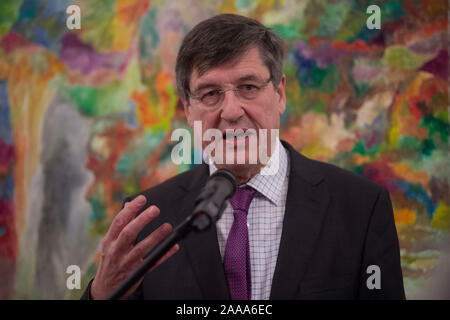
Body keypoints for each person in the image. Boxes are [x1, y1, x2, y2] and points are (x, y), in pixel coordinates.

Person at [82, 14, 405, 300]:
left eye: (248, 87)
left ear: (279, 94)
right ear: (188, 109)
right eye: (210, 94)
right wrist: (101, 296)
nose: (232, 111)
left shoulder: (360, 207)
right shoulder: (147, 220)